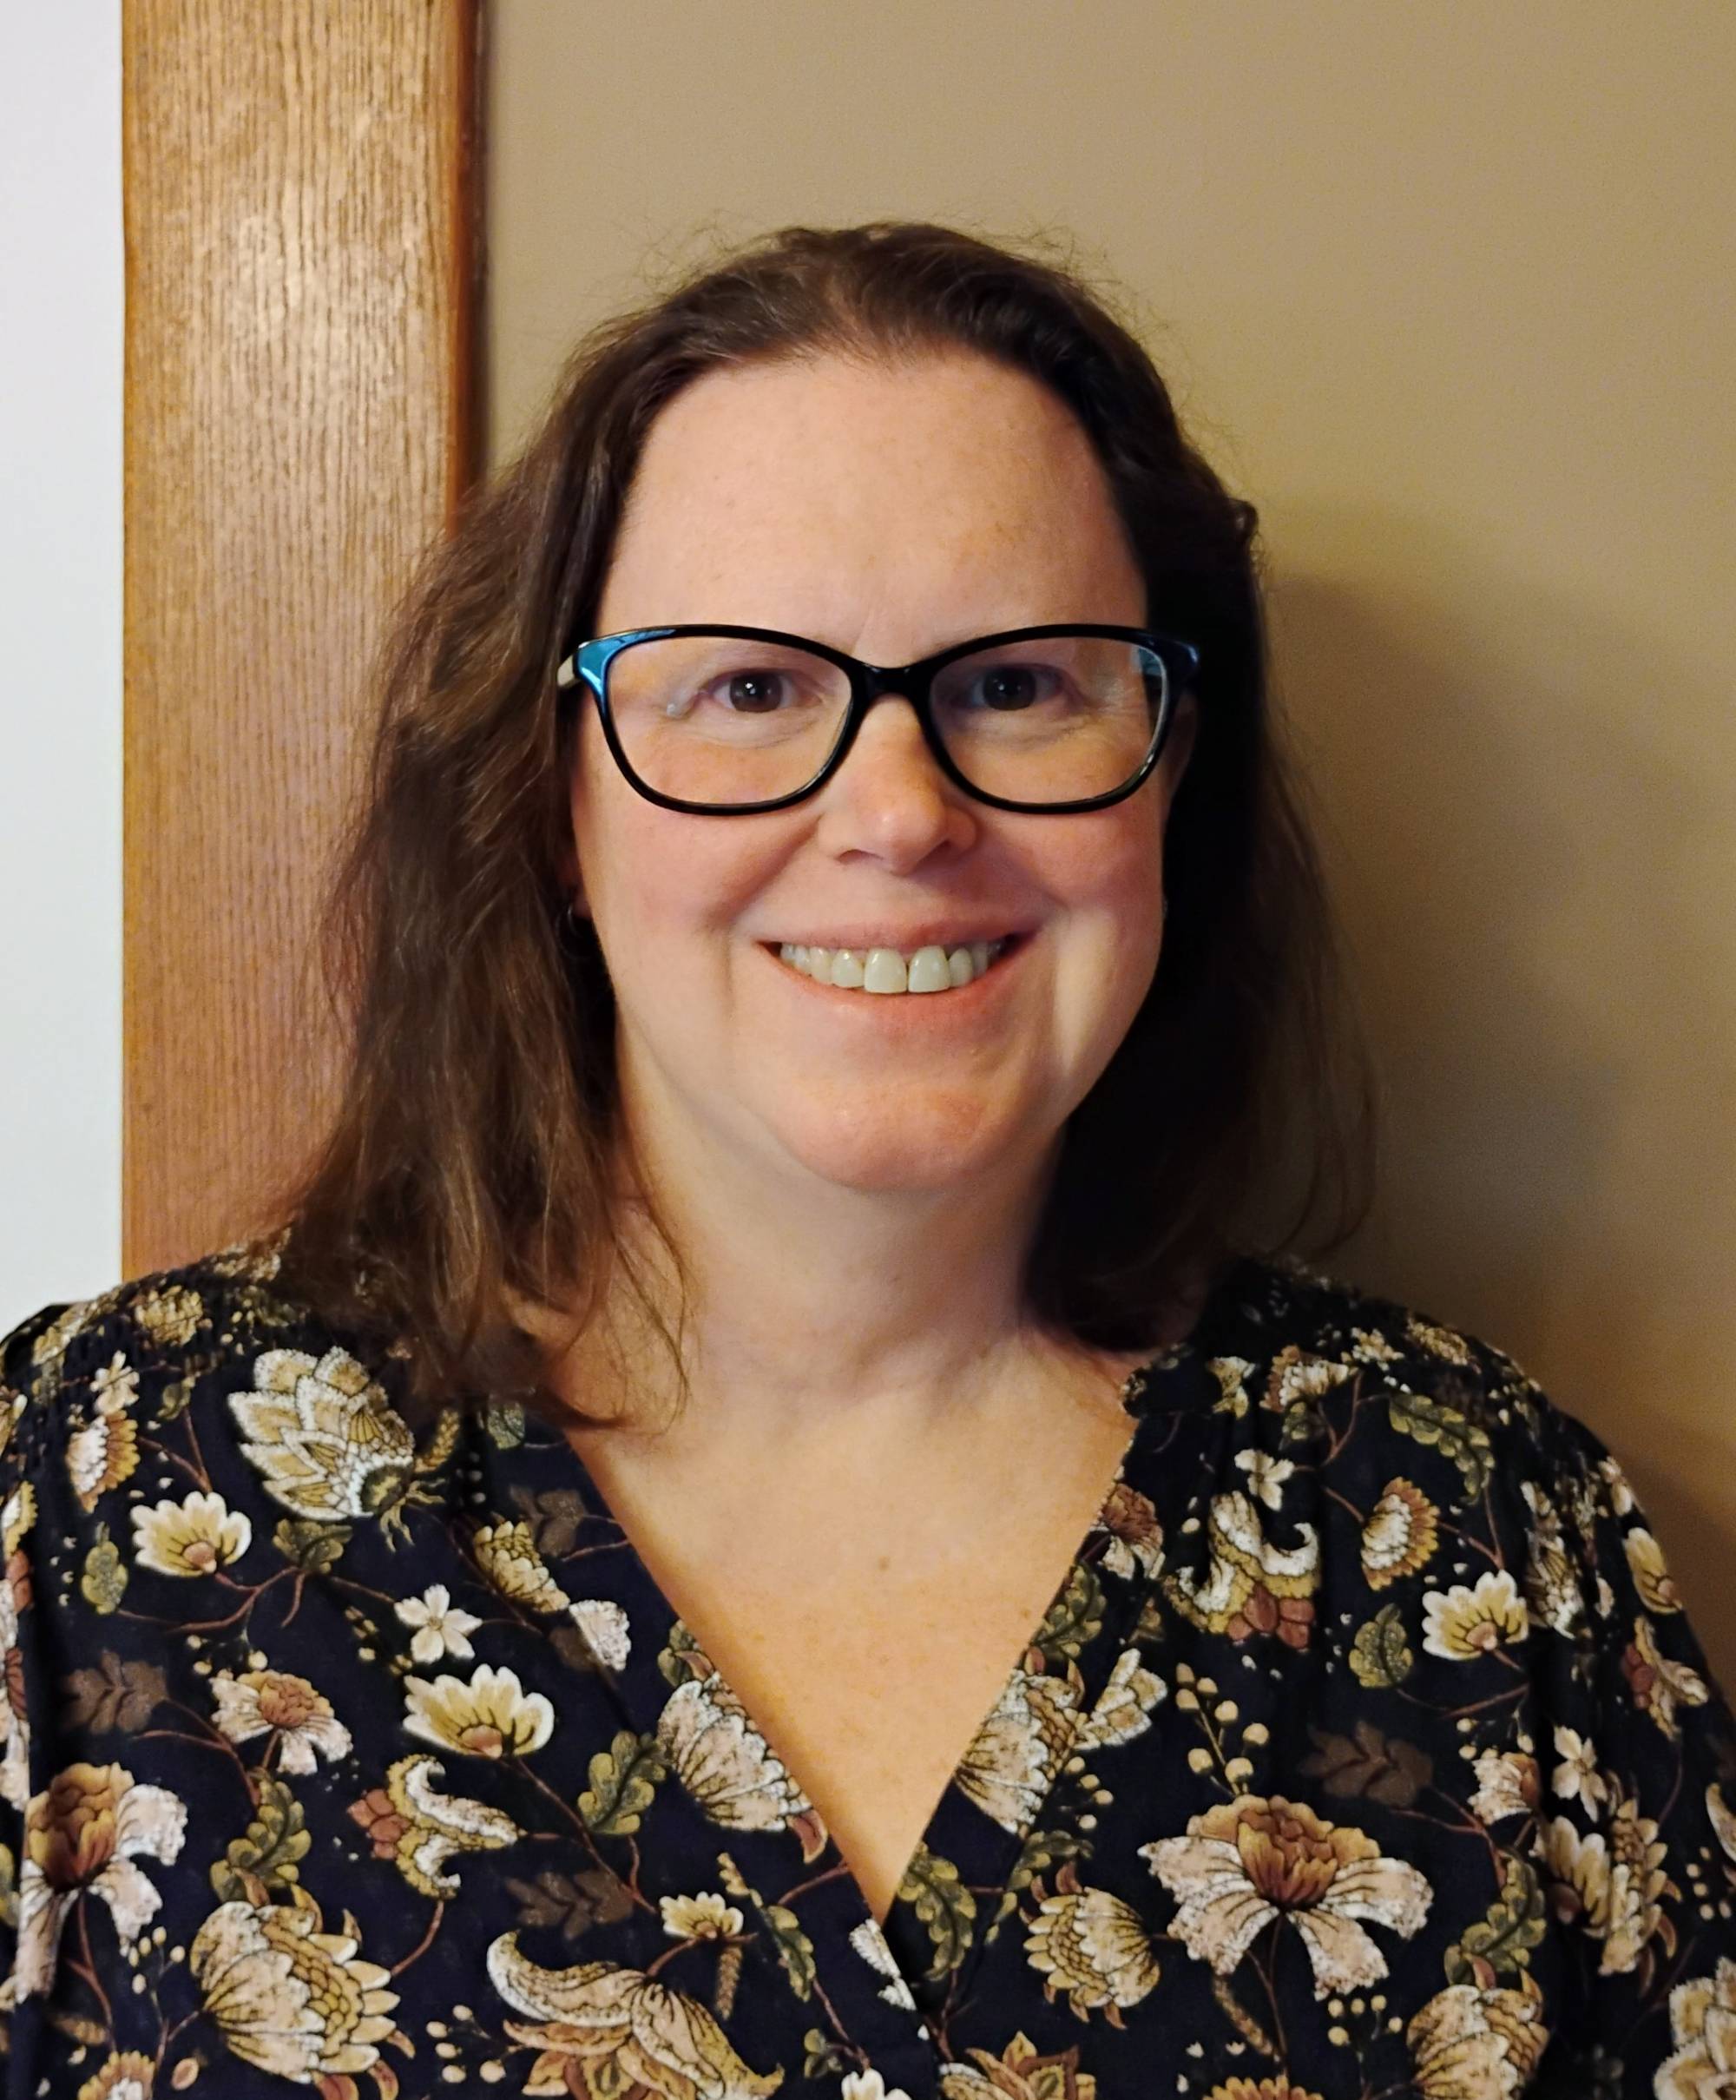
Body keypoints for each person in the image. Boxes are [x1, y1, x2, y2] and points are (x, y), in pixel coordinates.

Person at [1, 222, 1730, 2100]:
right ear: (551, 793)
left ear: (1166, 771)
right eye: (745, 687)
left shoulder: (1472, 1532)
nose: (899, 816)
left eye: (1017, 685)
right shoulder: (88, 1508)